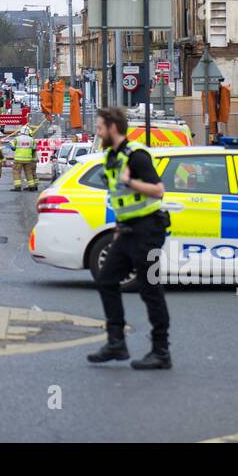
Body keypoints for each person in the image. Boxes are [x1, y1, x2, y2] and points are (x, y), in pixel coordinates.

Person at [87, 106, 172, 371]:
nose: (97, 132)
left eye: (100, 127)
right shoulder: (112, 156)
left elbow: (158, 191)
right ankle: (116, 343)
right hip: (126, 231)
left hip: (148, 231)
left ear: (113, 128)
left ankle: (161, 352)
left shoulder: (137, 156)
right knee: (107, 280)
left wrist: (132, 182)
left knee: (150, 290)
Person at [11, 125, 37, 191]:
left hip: (18, 159)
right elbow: (34, 149)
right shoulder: (32, 139)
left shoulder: (16, 138)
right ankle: (31, 186)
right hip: (28, 159)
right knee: (29, 173)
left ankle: (18, 187)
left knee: (16, 172)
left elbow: (13, 148)